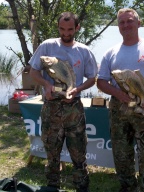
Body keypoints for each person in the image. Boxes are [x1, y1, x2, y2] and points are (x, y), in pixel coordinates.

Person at [96, 8, 144, 192]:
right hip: (119, 110)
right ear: (118, 26)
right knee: (122, 155)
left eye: (129, 21)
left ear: (139, 23)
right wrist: (119, 94)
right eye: (121, 22)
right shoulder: (111, 52)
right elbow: (101, 82)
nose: (126, 25)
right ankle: (128, 187)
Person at [29, 12, 98, 192]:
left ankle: (82, 188)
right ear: (58, 27)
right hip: (51, 108)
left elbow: (92, 78)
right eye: (61, 29)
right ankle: (52, 188)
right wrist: (46, 85)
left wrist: (78, 89)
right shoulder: (47, 46)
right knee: (52, 156)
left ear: (77, 28)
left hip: (74, 108)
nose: (65, 33)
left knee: (79, 156)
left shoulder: (84, 50)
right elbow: (33, 72)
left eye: (69, 29)